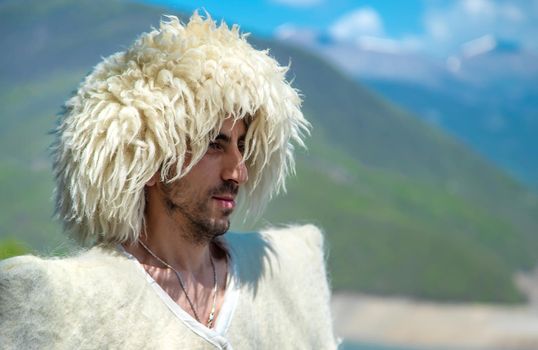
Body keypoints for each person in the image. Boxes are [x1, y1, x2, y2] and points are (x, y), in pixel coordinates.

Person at [0, 13, 337, 349]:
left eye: (242, 146)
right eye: (214, 144)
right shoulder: (74, 303)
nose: (238, 172)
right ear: (149, 160)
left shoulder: (285, 271)